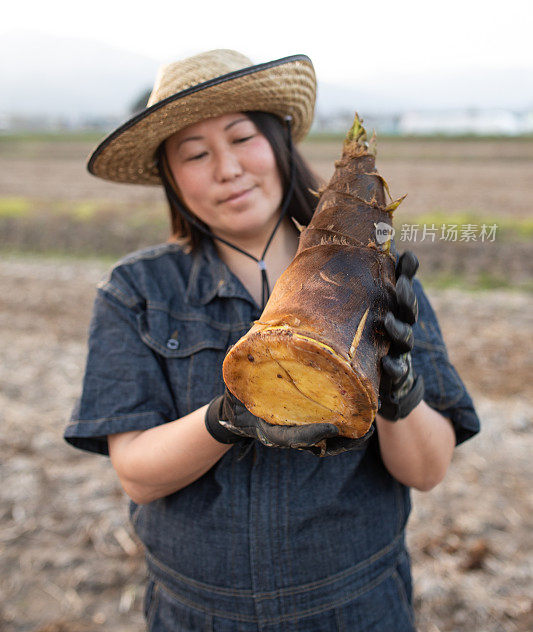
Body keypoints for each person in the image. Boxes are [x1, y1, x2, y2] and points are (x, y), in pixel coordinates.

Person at [64, 50, 480, 632]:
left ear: (280, 143)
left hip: (356, 608)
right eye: (194, 153)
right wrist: (229, 417)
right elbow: (136, 473)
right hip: (198, 614)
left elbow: (428, 470)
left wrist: (399, 389)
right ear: (170, 177)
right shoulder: (137, 291)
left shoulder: (373, 280)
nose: (227, 168)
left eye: (242, 138)